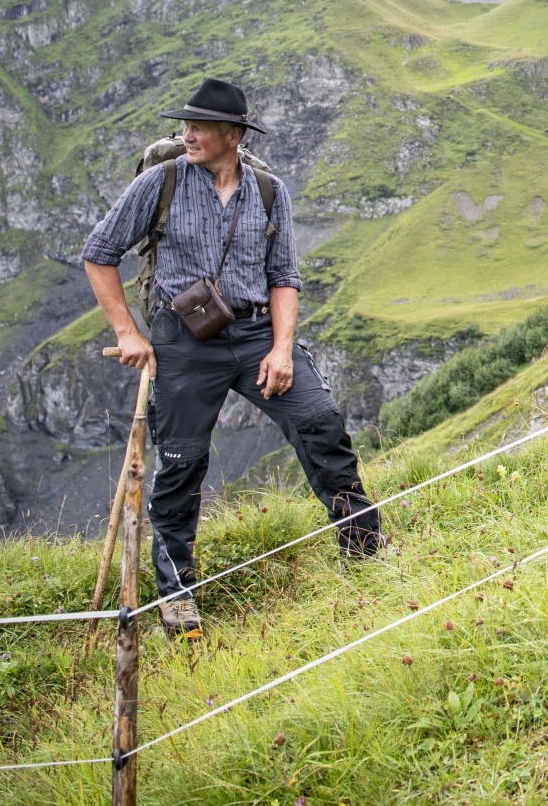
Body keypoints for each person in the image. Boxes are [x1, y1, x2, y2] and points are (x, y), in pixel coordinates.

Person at [82, 77, 382, 639]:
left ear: (234, 134)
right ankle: (177, 600)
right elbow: (99, 254)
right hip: (182, 340)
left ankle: (365, 548)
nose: (186, 135)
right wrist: (128, 333)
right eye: (185, 125)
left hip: (255, 334)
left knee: (319, 421)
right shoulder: (161, 182)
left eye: (199, 127)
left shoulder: (270, 192)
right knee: (181, 463)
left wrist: (282, 348)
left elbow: (284, 277)